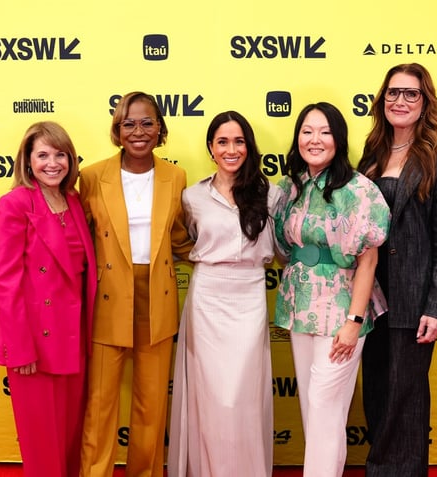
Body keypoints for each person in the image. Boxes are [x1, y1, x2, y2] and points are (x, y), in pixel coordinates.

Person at [357, 63, 437, 477]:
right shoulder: (369, 155)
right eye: (392, 93)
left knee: (406, 399)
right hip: (369, 300)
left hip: (415, 301)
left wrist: (436, 308)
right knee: (378, 397)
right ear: (381, 100)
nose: (399, 101)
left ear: (425, 104)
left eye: (411, 94)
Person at [78, 91, 194, 477]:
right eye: (129, 123)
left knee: (151, 403)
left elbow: (179, 237)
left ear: (160, 128)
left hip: (156, 296)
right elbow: (83, 239)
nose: (138, 131)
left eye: (147, 122)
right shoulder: (92, 176)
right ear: (117, 130)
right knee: (100, 403)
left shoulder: (175, 176)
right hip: (109, 296)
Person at [273, 102, 390, 477]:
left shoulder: (358, 190)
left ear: (338, 139)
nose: (314, 140)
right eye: (307, 131)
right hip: (298, 307)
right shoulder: (289, 188)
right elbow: (281, 248)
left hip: (341, 311)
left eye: (324, 132)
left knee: (324, 405)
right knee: (317, 411)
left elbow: (368, 262)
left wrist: (354, 321)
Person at [168, 111, 278, 477]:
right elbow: (179, 242)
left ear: (249, 146)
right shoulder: (191, 197)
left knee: (243, 397)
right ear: (211, 148)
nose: (231, 149)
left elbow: (283, 250)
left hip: (250, 298)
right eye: (223, 142)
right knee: (212, 397)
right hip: (207, 299)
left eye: (239, 141)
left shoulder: (270, 194)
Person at [0, 121, 96, 477]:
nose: (53, 163)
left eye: (60, 154)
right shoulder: (14, 204)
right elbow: (6, 281)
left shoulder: (75, 200)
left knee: (69, 436)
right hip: (34, 341)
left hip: (73, 337)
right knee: (41, 441)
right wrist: (20, 349)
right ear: (27, 160)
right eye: (43, 155)